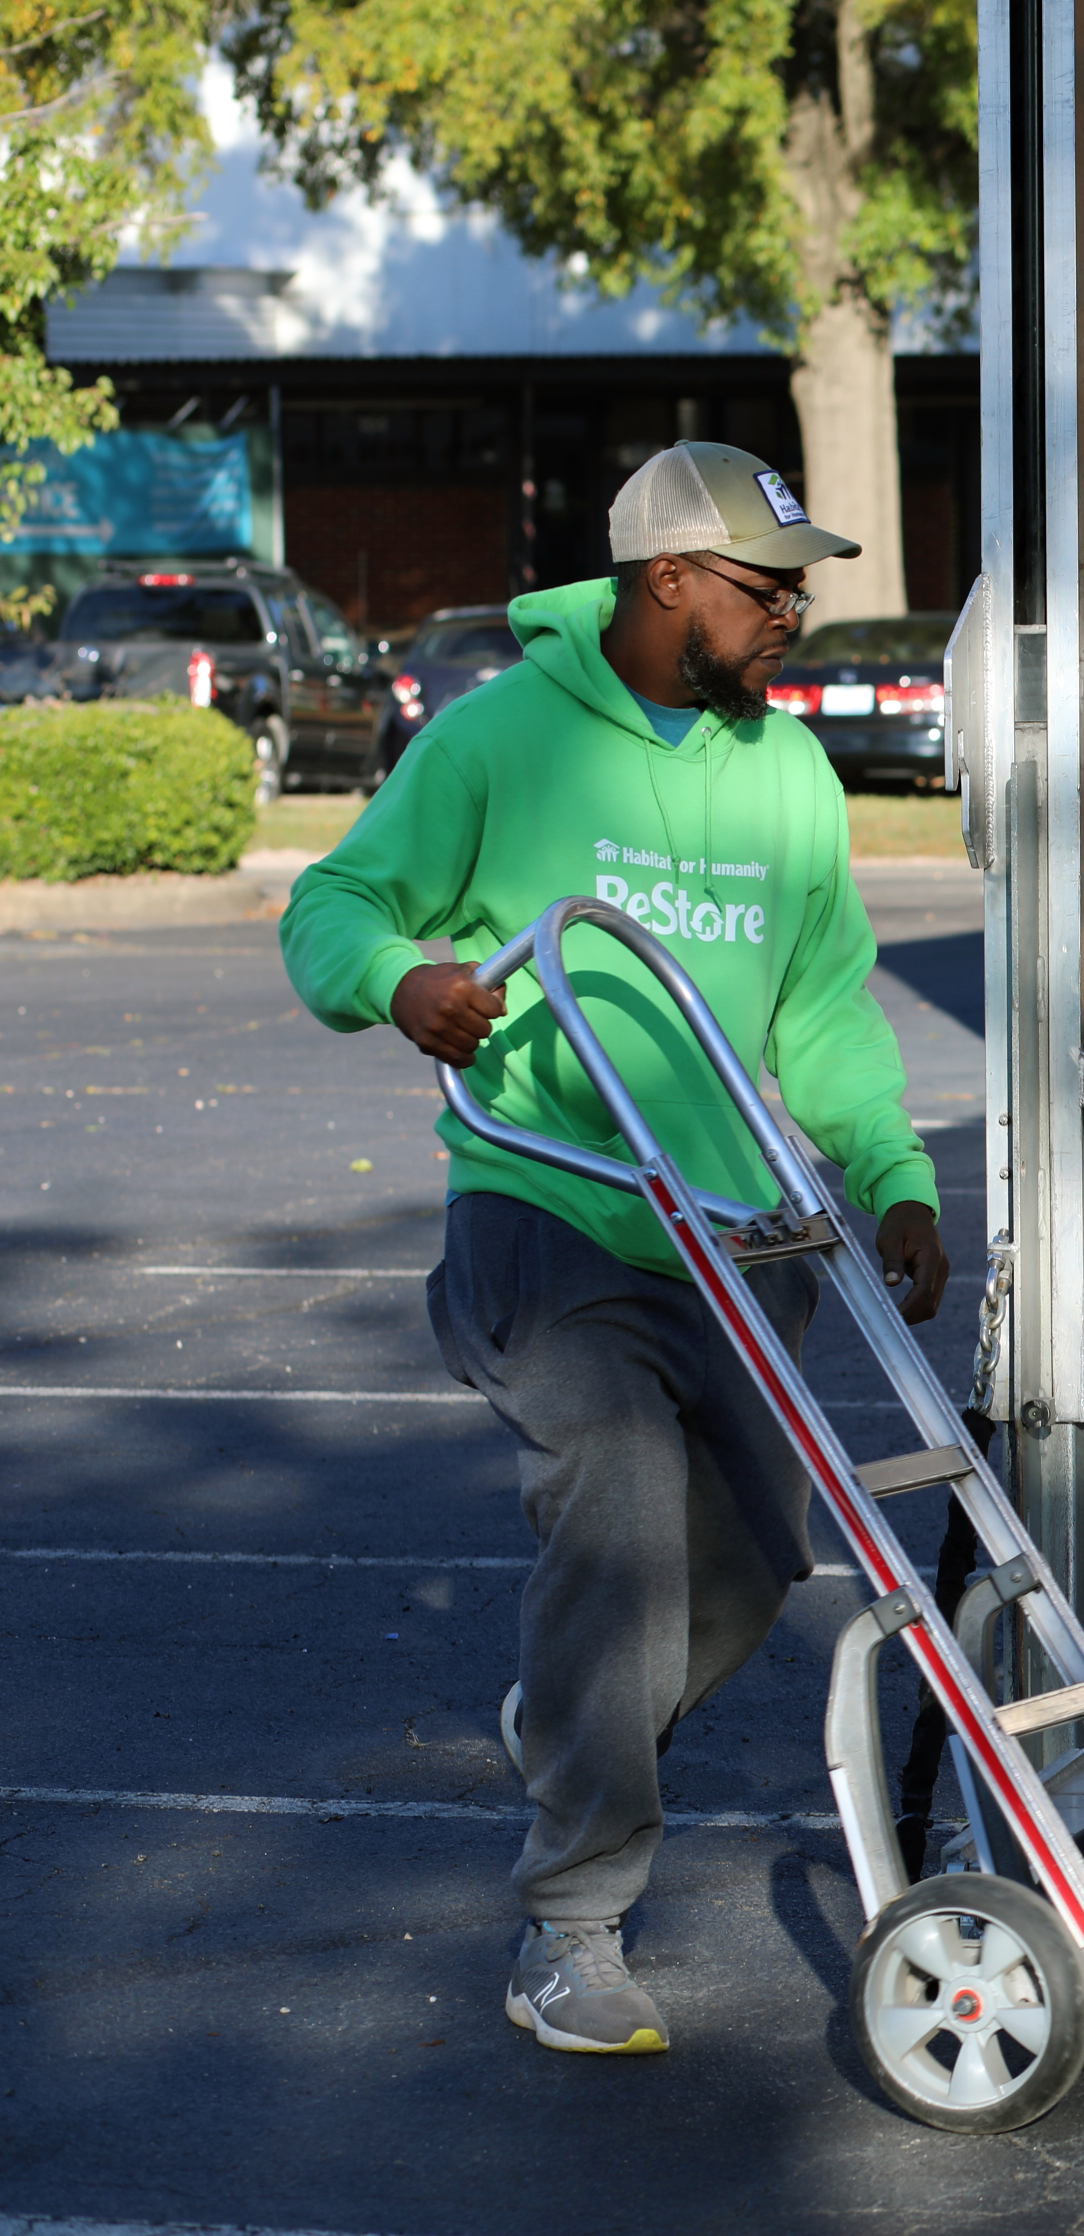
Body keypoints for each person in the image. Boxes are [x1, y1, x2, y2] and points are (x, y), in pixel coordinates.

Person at [280, 441, 950, 2056]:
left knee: (746, 1566)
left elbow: (826, 1005)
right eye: (767, 584)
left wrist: (895, 1169)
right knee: (627, 1522)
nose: (795, 611)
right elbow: (332, 901)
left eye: (801, 585)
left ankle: (575, 1712)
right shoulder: (504, 736)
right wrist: (400, 982)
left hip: (732, 1230)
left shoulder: (787, 773)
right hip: (548, 1206)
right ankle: (570, 1928)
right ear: (668, 581)